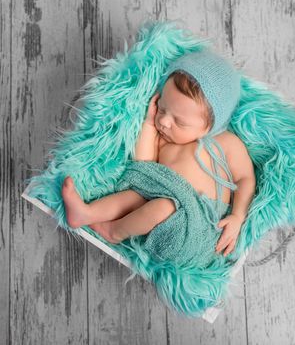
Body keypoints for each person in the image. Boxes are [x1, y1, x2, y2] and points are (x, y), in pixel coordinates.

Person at [61, 49, 256, 258]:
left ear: (210, 127)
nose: (164, 121)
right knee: (137, 196)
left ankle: (114, 232)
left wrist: (237, 216)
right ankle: (85, 213)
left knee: (164, 206)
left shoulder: (225, 142)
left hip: (199, 226)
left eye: (179, 122)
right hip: (161, 203)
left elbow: (245, 179)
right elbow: (144, 169)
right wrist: (148, 123)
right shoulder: (164, 139)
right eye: (162, 109)